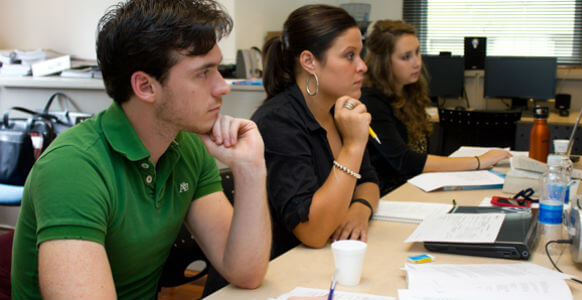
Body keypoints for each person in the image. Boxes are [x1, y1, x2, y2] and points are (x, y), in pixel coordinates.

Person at [11, 0, 271, 298]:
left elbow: (246, 272)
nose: (222, 86)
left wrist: (250, 168)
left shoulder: (186, 146)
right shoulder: (72, 168)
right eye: (203, 73)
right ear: (145, 87)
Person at [252, 4, 380, 258]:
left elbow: (368, 181)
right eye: (349, 55)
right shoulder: (278, 122)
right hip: (277, 270)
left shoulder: (337, 112)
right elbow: (313, 232)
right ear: (309, 61)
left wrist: (359, 209)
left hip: (322, 261)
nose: (362, 66)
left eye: (360, 54)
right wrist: (354, 146)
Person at [361, 20, 512, 195]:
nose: (417, 62)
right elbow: (404, 161)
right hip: (388, 195)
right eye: (406, 57)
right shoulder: (371, 101)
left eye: (417, 53)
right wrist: (478, 161)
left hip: (416, 185)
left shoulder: (409, 91)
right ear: (383, 62)